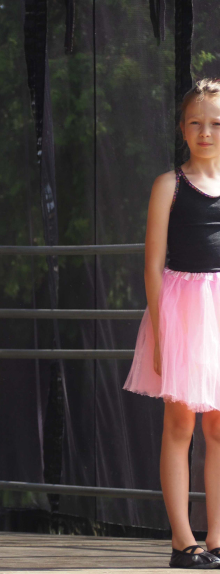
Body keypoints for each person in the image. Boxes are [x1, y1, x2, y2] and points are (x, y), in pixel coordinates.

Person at [125, 79, 220, 569]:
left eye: (216, 123)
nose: (206, 132)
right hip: (182, 310)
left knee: (219, 427)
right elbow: (153, 265)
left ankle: (218, 536)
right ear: (182, 128)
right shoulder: (169, 185)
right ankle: (183, 540)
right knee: (180, 423)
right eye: (196, 123)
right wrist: (162, 336)